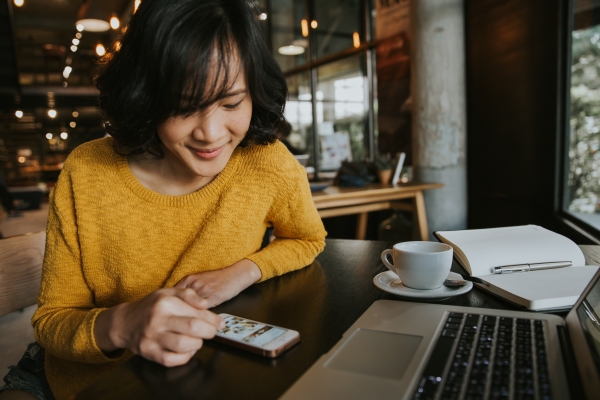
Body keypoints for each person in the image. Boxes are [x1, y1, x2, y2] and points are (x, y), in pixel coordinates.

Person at [0, 1, 326, 399]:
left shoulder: (267, 162)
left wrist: (242, 271)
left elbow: (307, 239)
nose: (210, 133)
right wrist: (124, 324)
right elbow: (51, 323)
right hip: (84, 383)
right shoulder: (86, 173)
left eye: (231, 103)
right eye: (184, 106)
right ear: (145, 96)